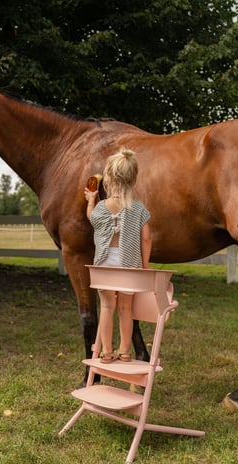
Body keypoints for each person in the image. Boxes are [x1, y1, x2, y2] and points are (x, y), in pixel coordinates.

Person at [84, 147, 152, 363]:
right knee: (125, 308)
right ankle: (124, 351)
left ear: (109, 179)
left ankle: (106, 351)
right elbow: (147, 237)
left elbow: (91, 218)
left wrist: (91, 200)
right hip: (129, 265)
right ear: (133, 180)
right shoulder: (138, 209)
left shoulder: (102, 208)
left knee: (106, 307)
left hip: (104, 265)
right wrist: (145, 265)